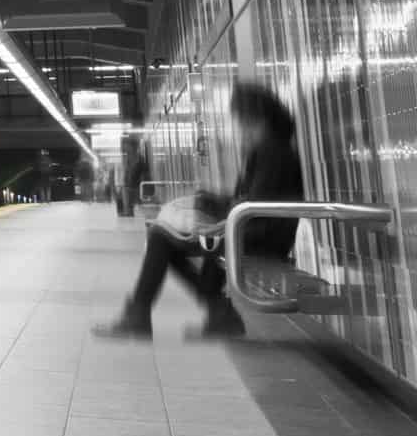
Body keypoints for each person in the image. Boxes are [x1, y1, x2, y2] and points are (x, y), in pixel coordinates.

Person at [93, 82, 302, 340]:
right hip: (254, 231)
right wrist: (213, 201)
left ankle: (142, 314)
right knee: (168, 240)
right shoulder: (272, 149)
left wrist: (217, 210)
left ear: (256, 119)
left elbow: (253, 206)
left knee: (161, 239)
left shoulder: (272, 152)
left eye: (241, 121)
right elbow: (254, 201)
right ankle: (217, 313)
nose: (240, 130)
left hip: (258, 237)